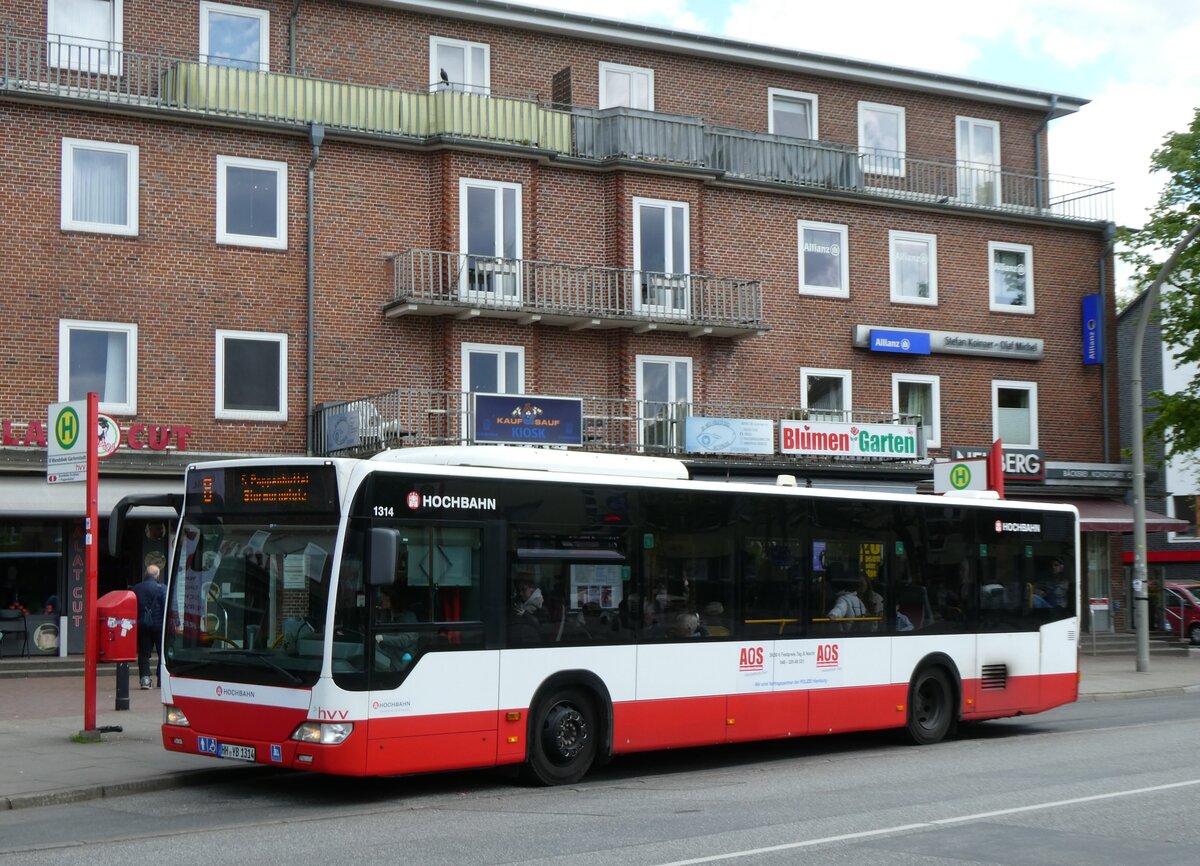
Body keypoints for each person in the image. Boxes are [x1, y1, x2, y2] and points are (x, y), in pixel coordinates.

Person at [133, 563, 167, 689]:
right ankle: (161, 680)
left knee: (143, 654)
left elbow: (133, 607)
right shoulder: (162, 588)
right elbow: (166, 608)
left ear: (146, 574)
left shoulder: (137, 588)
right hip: (159, 627)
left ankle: (145, 680)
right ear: (157, 575)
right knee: (161, 653)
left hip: (143, 626)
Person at [826, 564, 865, 630]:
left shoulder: (843, 600)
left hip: (846, 631)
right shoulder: (858, 599)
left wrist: (831, 616)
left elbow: (839, 610)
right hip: (857, 631)